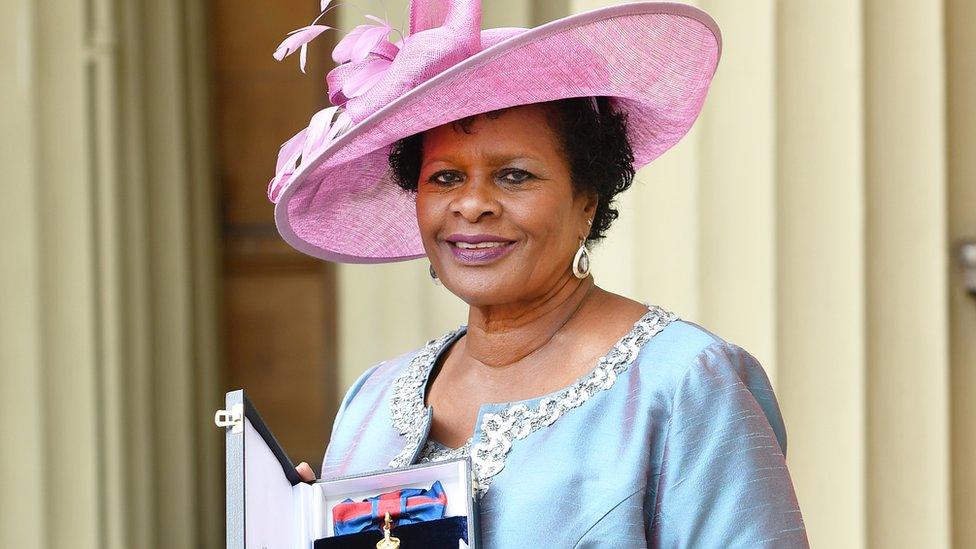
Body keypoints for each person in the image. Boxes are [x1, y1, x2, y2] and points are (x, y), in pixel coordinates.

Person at [275, 0, 808, 546]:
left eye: (514, 176)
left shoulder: (684, 384)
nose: (472, 205)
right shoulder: (373, 400)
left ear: (587, 201)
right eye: (445, 178)